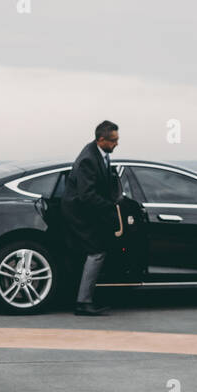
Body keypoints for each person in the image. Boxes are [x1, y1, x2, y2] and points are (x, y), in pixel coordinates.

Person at [61, 120, 121, 316]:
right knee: (97, 252)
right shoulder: (88, 159)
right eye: (113, 141)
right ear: (101, 139)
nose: (116, 144)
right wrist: (112, 207)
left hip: (87, 212)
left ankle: (80, 297)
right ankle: (83, 302)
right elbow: (87, 195)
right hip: (79, 214)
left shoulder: (99, 153)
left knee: (90, 253)